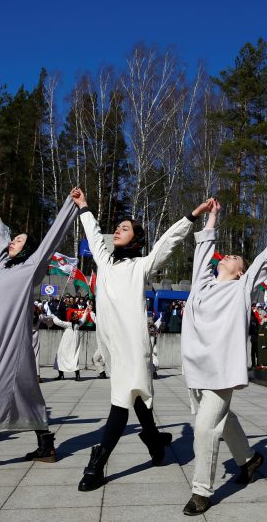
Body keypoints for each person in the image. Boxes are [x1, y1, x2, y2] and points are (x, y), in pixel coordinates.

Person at [180, 198, 267, 515]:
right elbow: (202, 254)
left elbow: (263, 263)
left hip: (221, 372)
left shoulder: (241, 289)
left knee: (204, 428)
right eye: (226, 255)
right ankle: (251, 460)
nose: (227, 256)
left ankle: (201, 492)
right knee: (221, 420)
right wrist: (211, 218)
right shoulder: (201, 285)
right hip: (197, 370)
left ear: (241, 273)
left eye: (234, 257)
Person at [75, 192, 210, 492]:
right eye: (118, 227)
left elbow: (167, 243)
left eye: (126, 228)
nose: (119, 230)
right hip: (112, 348)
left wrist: (192, 216)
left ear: (136, 238)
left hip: (134, 349)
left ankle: (97, 464)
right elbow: (94, 235)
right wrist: (84, 205)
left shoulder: (142, 266)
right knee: (136, 399)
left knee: (121, 403)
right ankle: (155, 444)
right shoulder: (105, 264)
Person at [0, 194, 82, 477]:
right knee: (28, 393)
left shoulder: (29, 270)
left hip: (14, 345)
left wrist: (70, 206)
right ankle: (46, 445)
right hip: (4, 345)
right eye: (14, 239)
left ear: (29, 251)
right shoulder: (2, 268)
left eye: (20, 241)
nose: (14, 242)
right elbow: (0, 243)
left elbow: (51, 239)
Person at [48, 304, 86, 381]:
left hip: (65, 345)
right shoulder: (78, 325)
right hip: (73, 345)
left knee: (61, 357)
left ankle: (61, 375)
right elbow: (83, 318)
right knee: (74, 358)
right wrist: (86, 311)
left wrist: (53, 316)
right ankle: (77, 376)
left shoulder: (68, 324)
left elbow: (58, 322)